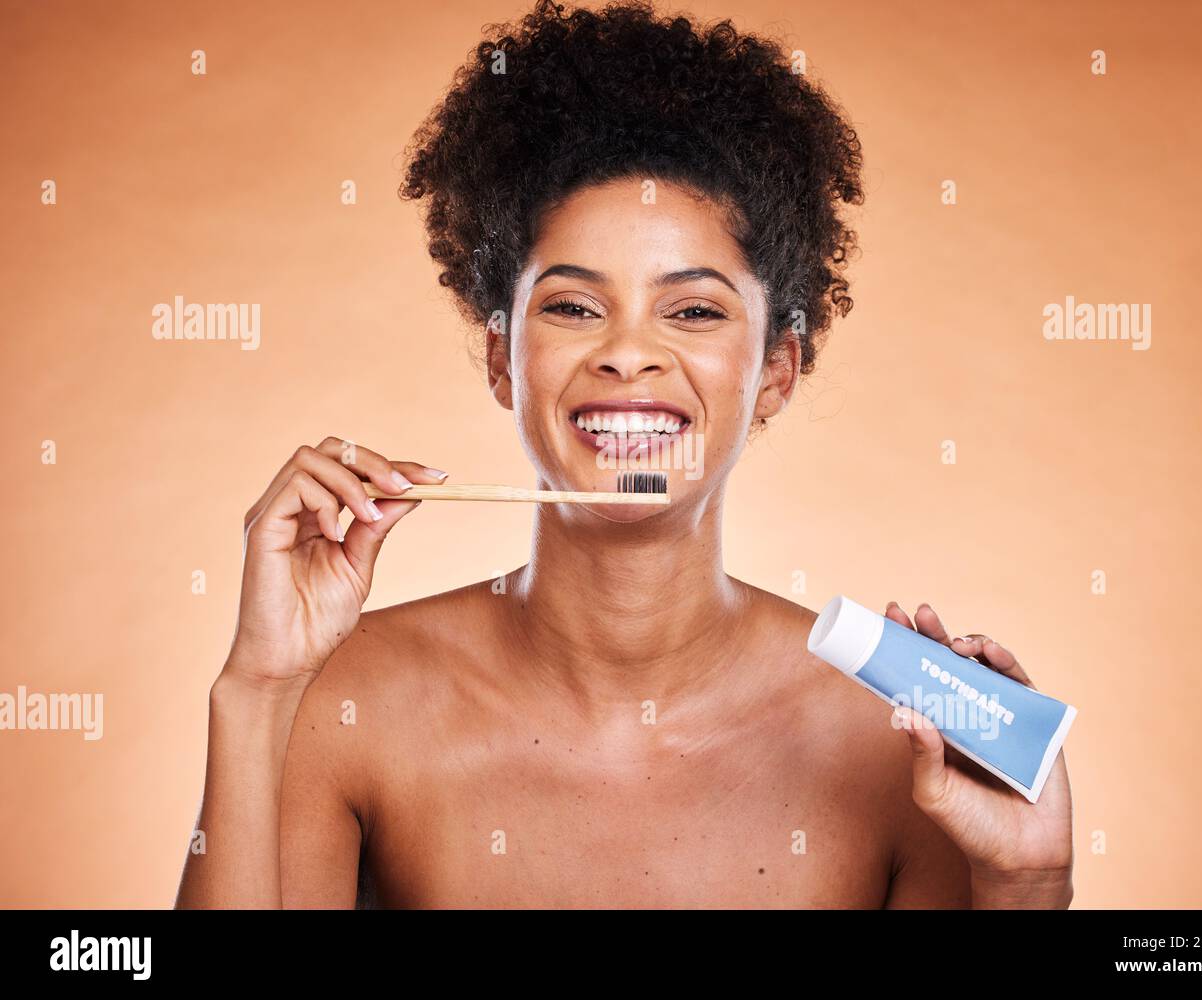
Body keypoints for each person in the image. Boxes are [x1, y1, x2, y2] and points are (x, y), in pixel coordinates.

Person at [176, 0, 1073, 909]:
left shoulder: (903, 743)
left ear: (776, 370)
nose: (629, 353)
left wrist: (1027, 884)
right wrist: (258, 691)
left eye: (694, 310)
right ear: (502, 359)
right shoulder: (347, 699)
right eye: (573, 306)